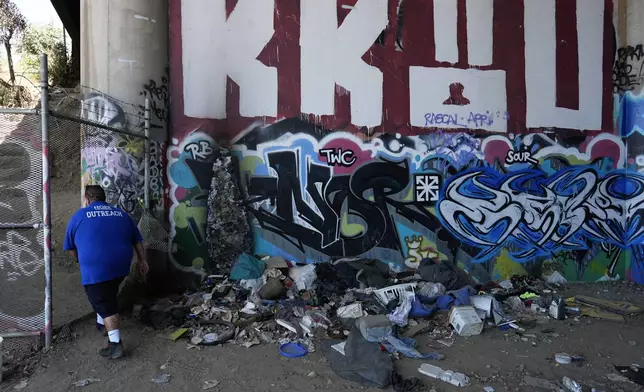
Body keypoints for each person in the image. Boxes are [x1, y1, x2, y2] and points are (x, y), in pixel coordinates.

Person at [64, 185, 149, 359]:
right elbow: (137, 240)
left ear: (87, 198)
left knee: (104, 303)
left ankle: (115, 344)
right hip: (120, 267)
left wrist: (80, 261)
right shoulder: (122, 214)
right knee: (108, 291)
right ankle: (101, 323)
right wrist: (142, 260)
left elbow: (70, 247)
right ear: (105, 198)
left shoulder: (79, 216)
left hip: (96, 268)